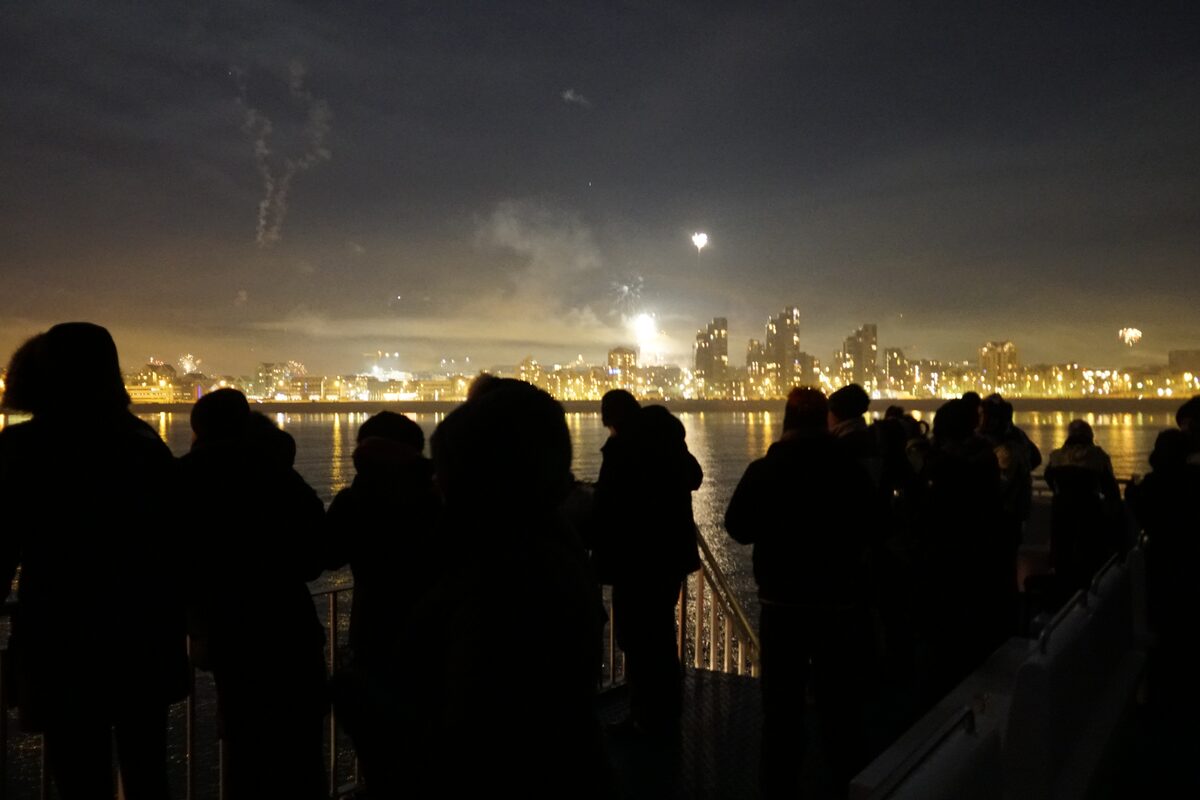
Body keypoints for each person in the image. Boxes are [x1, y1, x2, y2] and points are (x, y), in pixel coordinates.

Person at [0, 323, 187, 799]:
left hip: (63, 638)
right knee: (147, 771)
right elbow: (175, 541)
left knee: (78, 772)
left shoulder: (24, 448)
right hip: (144, 635)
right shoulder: (144, 443)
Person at [403, 381, 610, 796]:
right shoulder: (551, 547)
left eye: (445, 468)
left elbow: (473, 727)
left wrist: (371, 707)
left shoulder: (498, 578)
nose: (436, 481)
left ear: (479, 480)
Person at [726, 387, 875, 797]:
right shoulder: (849, 470)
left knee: (781, 712)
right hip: (838, 603)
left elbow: (737, 527)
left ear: (786, 422)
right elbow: (876, 523)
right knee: (840, 708)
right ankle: (847, 784)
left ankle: (779, 787)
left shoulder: (764, 470)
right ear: (824, 420)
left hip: (781, 604)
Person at [180, 389, 329, 799]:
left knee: (244, 751)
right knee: (301, 753)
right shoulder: (279, 476)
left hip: (226, 633)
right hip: (288, 626)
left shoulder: (182, 479)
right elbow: (317, 555)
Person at [324, 411, 441, 795]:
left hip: (373, 636)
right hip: (437, 638)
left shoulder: (357, 499)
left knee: (381, 757)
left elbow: (323, 555)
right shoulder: (439, 493)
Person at [592, 401, 702, 734]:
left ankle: (643, 717)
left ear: (613, 421)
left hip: (635, 560)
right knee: (660, 638)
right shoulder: (669, 444)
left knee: (636, 639)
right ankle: (665, 714)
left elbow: (608, 504)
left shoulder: (623, 450)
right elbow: (694, 477)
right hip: (669, 557)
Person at [1043, 420, 1122, 596]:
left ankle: (1062, 592)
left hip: (1061, 509)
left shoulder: (1056, 456)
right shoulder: (1098, 456)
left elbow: (1048, 477)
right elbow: (1110, 487)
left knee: (1062, 551)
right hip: (1088, 509)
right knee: (1089, 552)